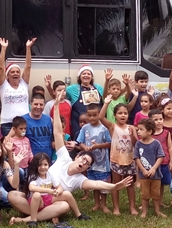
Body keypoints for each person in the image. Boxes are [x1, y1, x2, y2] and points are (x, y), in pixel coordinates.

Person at [8, 92, 132, 221]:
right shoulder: (64, 157)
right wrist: (56, 106)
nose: (84, 163)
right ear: (77, 156)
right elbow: (57, 132)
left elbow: (96, 184)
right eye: (83, 159)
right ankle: (45, 214)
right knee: (12, 195)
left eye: (87, 164)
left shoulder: (78, 180)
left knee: (64, 206)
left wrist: (114, 186)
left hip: (53, 202)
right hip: (37, 197)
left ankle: (31, 218)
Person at [100, 97, 138, 215]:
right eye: (120, 113)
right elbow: (101, 118)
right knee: (116, 184)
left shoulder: (132, 128)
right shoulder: (112, 127)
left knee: (130, 185)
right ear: (115, 115)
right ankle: (116, 208)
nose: (123, 115)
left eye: (125, 113)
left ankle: (132, 208)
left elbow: (135, 143)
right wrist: (106, 103)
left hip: (130, 160)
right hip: (116, 160)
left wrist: (132, 135)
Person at [0, 37, 36, 136]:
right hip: (7, 124)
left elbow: (28, 66)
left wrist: (28, 48)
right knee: (10, 148)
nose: (15, 74)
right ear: (7, 75)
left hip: (24, 122)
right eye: (12, 72)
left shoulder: (24, 83)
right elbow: (1, 68)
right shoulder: (3, 85)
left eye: (17, 72)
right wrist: (3, 48)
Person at [77, 104, 112, 213]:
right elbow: (80, 142)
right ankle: (97, 204)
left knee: (103, 184)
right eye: (89, 115)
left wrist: (98, 146)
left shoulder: (104, 128)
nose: (92, 118)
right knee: (94, 184)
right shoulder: (85, 128)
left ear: (99, 115)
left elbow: (110, 143)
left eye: (95, 115)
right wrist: (85, 148)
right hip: (90, 163)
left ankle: (104, 205)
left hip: (102, 163)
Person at [134, 118, 166, 218]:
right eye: (138, 129)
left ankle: (157, 211)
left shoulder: (156, 143)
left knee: (156, 195)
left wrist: (153, 169)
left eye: (141, 129)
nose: (138, 131)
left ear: (149, 131)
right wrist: (143, 170)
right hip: (143, 176)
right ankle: (144, 212)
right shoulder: (138, 144)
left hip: (156, 175)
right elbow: (136, 158)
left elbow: (160, 157)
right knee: (145, 195)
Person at [65, 65, 104, 139]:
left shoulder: (99, 88)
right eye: (83, 74)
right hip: (79, 125)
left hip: (96, 124)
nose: (86, 75)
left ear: (92, 77)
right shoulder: (71, 89)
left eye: (89, 74)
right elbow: (60, 94)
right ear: (79, 76)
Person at [151, 111, 172, 206]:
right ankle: (147, 201)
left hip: (164, 162)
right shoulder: (149, 133)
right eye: (156, 120)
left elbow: (170, 147)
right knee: (151, 183)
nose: (159, 121)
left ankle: (159, 201)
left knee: (161, 183)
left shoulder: (166, 133)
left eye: (160, 119)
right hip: (152, 163)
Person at [23, 94, 54, 158]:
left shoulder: (49, 119)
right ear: (31, 104)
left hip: (48, 160)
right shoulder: (23, 120)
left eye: (41, 105)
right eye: (36, 104)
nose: (38, 107)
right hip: (31, 160)